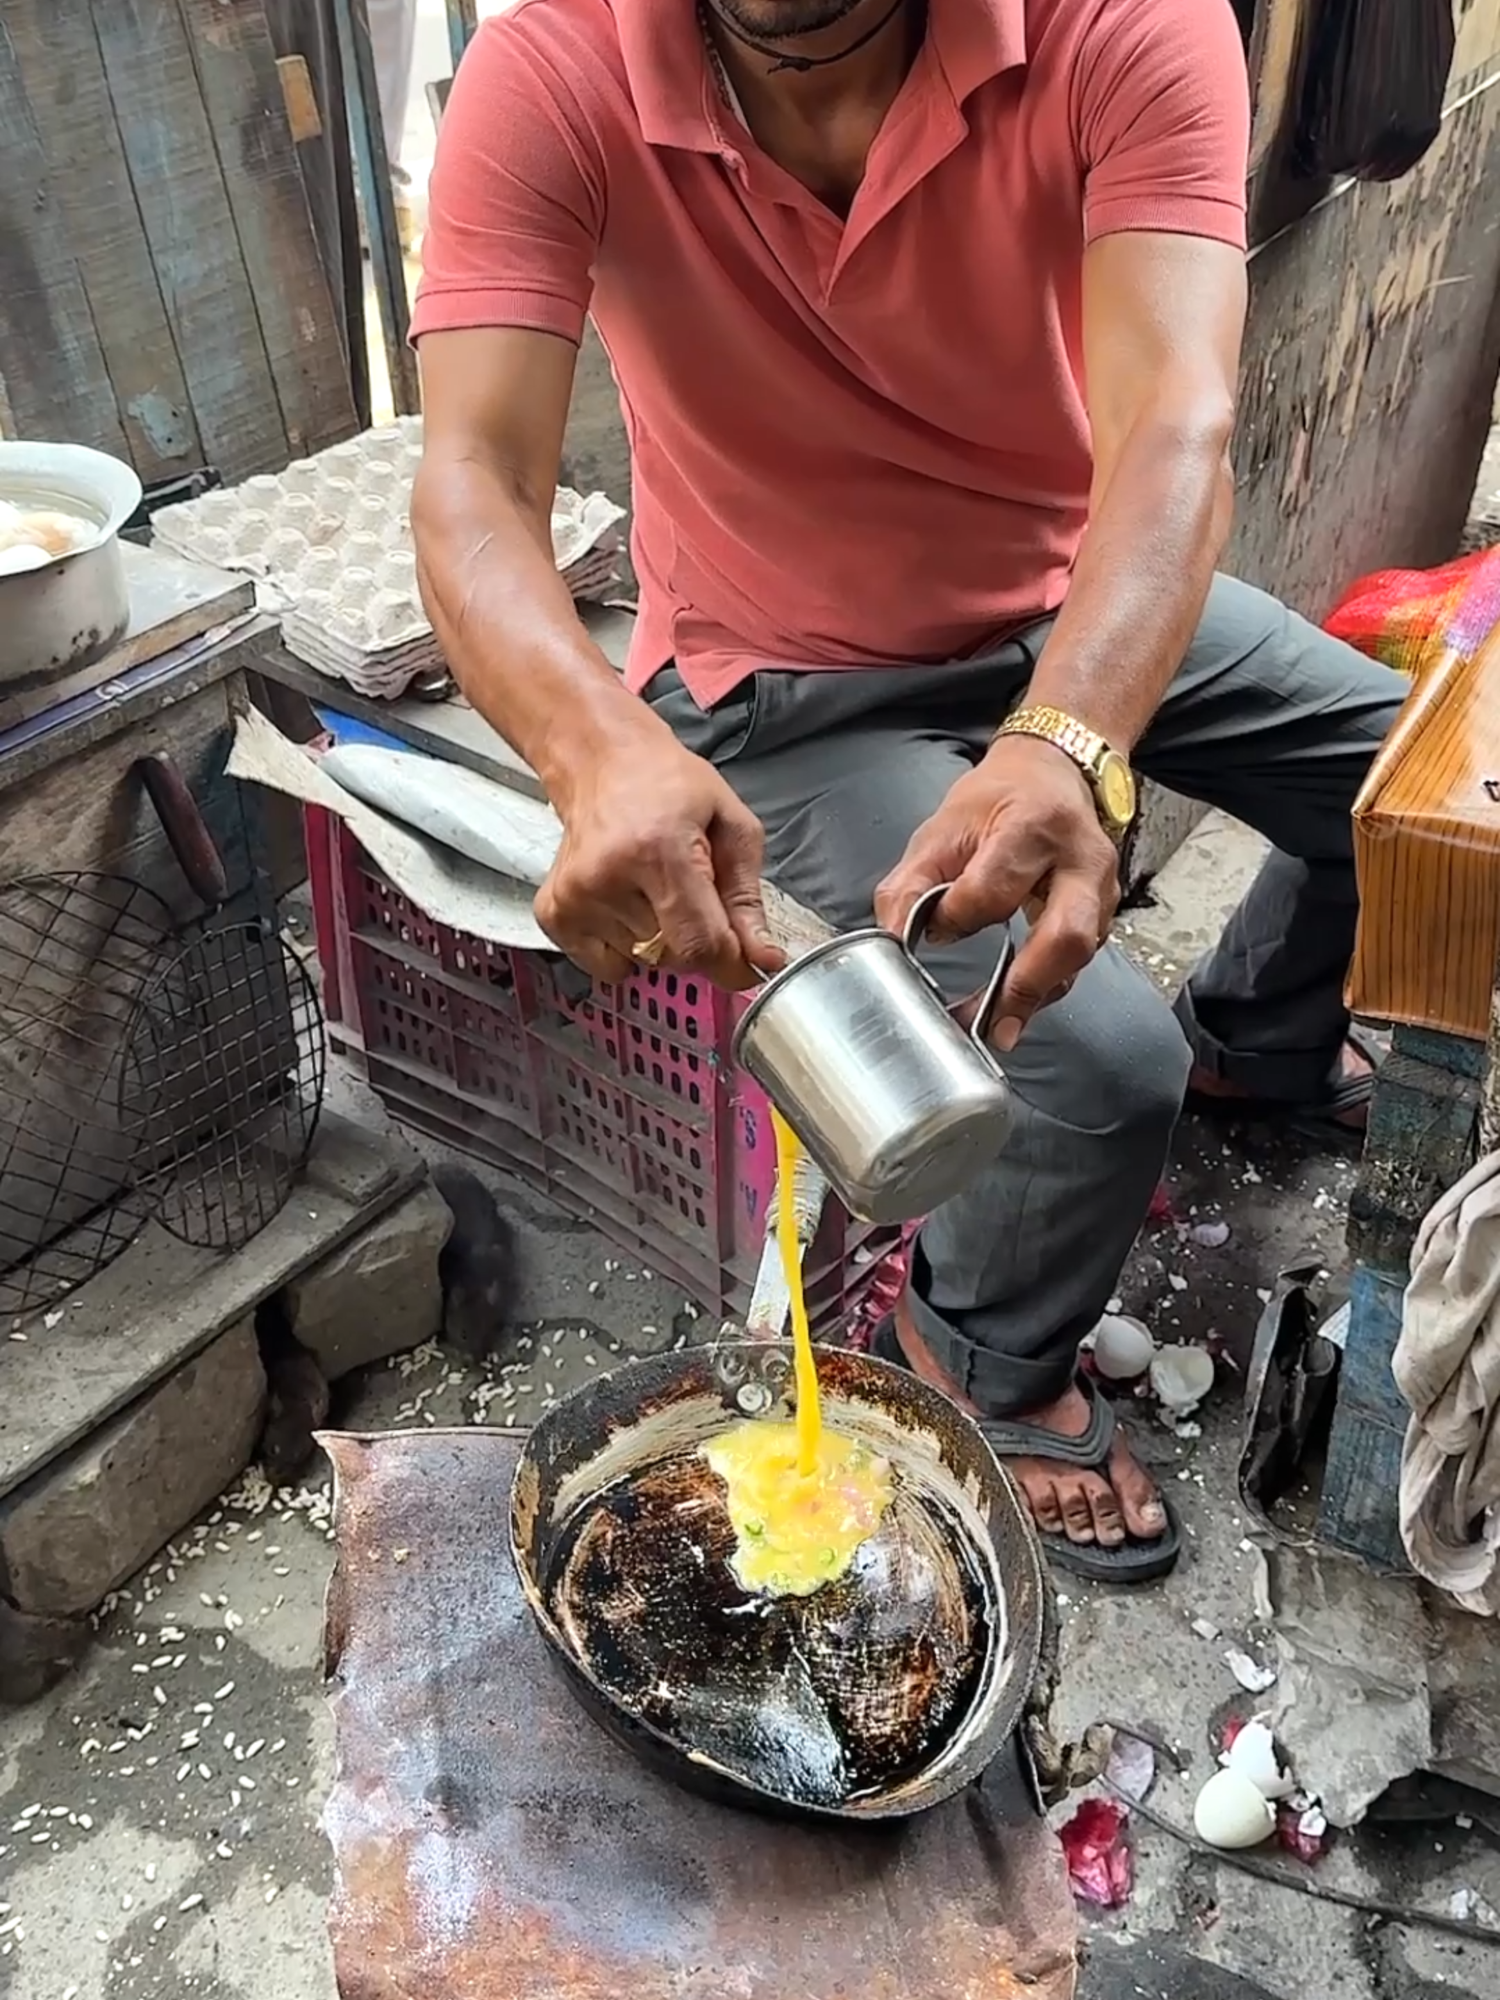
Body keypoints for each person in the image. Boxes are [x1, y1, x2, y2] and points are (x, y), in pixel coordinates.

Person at [408, 0, 1409, 1583]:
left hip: (1063, 605)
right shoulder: (555, 66)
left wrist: (1073, 728)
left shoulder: (1124, 24)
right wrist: (597, 751)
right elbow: (470, 481)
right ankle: (985, 1366)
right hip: (782, 687)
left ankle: (1268, 1036)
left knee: (1419, 797)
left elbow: (1178, 425)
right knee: (1091, 1061)